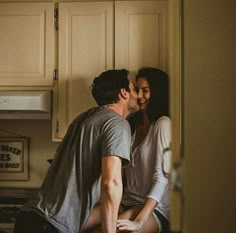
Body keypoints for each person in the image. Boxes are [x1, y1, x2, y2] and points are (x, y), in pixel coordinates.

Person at [13, 69, 139, 233]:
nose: (139, 95)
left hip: (29, 218)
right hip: (50, 227)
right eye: (135, 89)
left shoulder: (83, 118)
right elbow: (111, 183)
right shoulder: (117, 124)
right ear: (123, 93)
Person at [116, 67, 171, 233]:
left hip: (154, 209)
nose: (139, 96)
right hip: (127, 202)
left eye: (145, 91)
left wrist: (138, 222)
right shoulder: (131, 125)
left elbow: (162, 177)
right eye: (137, 90)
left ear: (158, 93)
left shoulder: (163, 124)